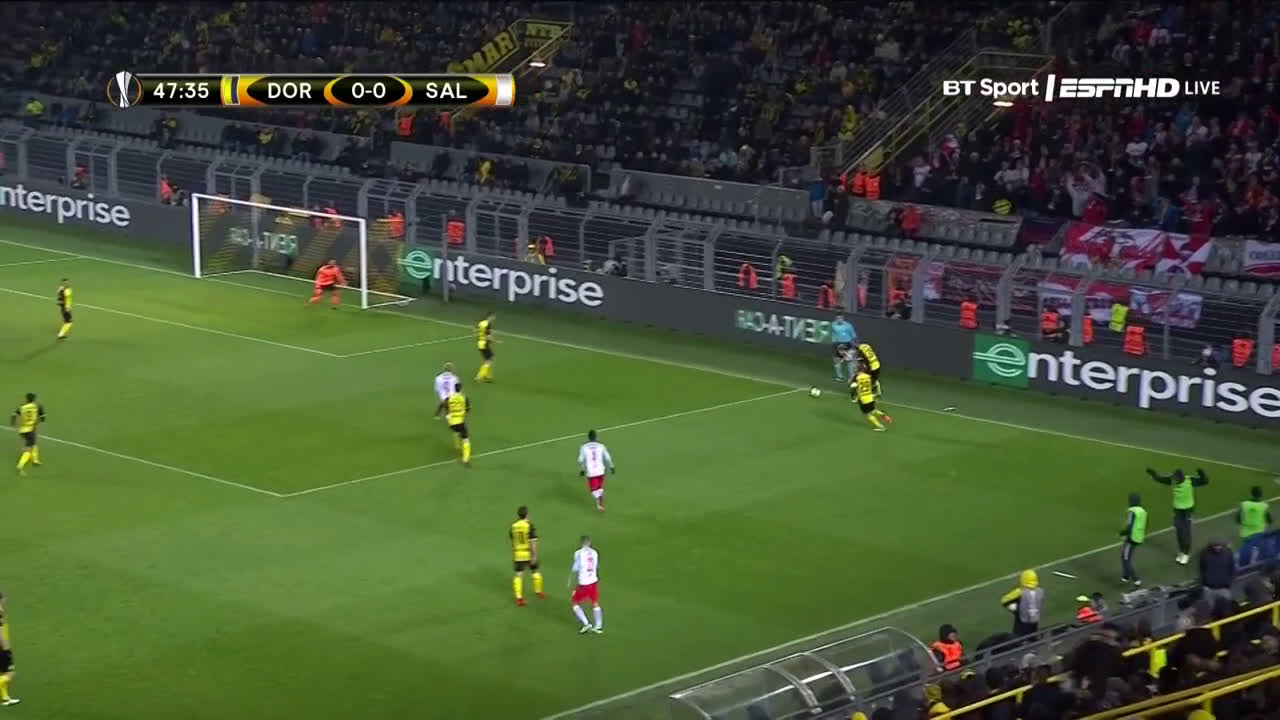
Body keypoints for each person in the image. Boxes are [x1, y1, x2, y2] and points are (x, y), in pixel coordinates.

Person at [1149, 467, 1209, 564]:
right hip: (1177, 511)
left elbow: (1205, 481)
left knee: (1186, 532)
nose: (1174, 481)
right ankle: (1181, 551)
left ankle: (1186, 554)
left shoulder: (1190, 480)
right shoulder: (1173, 481)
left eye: (1176, 479)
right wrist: (1154, 475)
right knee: (1179, 532)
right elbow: (1162, 479)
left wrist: (1202, 474)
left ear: (1181, 478)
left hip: (1187, 511)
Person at [510, 506, 544, 606]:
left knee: (518, 575)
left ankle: (519, 598)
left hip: (518, 553)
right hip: (528, 553)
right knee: (535, 572)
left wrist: (515, 550)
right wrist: (534, 556)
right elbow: (533, 542)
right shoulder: (529, 525)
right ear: (527, 515)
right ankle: (539, 592)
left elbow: (512, 540)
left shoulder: (514, 526)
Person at [569, 535, 602, 634]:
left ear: (581, 543)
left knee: (575, 602)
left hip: (584, 583)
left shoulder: (578, 553)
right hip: (594, 581)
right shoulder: (595, 552)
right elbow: (597, 566)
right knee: (595, 602)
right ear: (589, 543)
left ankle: (586, 624)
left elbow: (575, 569)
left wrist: (571, 582)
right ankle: (598, 625)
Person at [578, 430, 615, 512]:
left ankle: (599, 498)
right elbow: (607, 457)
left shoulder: (584, 447)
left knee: (593, 490)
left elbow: (580, 460)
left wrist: (582, 469)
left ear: (588, 437)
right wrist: (612, 466)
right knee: (599, 487)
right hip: (601, 470)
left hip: (591, 472)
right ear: (596, 437)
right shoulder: (601, 446)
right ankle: (600, 503)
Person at [1235, 486, 1272, 566]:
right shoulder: (1263, 506)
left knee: (1247, 551)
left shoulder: (1245, 504)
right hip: (1260, 532)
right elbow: (1269, 520)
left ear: (1251, 494)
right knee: (1259, 551)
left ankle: (1244, 565)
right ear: (1261, 495)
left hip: (1246, 533)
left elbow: (1238, 519)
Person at [851, 360, 892, 431]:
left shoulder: (857, 377)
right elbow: (875, 383)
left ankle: (880, 427)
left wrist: (854, 389)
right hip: (870, 397)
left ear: (858, 370)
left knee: (868, 414)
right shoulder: (868, 376)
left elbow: (852, 386)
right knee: (873, 410)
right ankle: (884, 415)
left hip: (863, 399)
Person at [1000, 570, 1043, 636]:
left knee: (1019, 637)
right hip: (1033, 623)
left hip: (1021, 628)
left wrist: (1014, 608)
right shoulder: (1039, 591)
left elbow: (1004, 600)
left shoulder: (1020, 592)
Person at [10, 394, 44, 476]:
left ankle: (35, 460)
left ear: (26, 399)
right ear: (34, 399)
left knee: (32, 444)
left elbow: (13, 414)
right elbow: (43, 417)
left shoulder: (22, 406)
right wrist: (39, 420)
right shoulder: (37, 406)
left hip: (22, 430)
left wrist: (12, 423)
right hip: (31, 430)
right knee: (28, 449)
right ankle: (20, 466)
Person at [1199, 538, 1236, 605]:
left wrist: (1229, 583)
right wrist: (1204, 586)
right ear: (1211, 546)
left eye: (1219, 545)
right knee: (1210, 608)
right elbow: (1202, 569)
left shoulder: (1228, 553)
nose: (1217, 547)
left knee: (1227, 607)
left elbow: (1232, 569)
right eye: (1215, 546)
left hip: (1224, 588)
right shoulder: (1205, 554)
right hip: (1209, 589)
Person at [1120, 492, 1146, 586]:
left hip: (1132, 538)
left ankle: (1136, 579)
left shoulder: (1132, 511)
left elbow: (1130, 525)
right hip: (1139, 536)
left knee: (1125, 558)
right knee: (1125, 556)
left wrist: (1122, 533)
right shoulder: (1142, 511)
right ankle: (1126, 576)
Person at [444, 382, 472, 466]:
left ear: (454, 388)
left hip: (452, 422)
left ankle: (457, 447)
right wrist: (464, 415)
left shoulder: (449, 398)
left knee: (456, 431)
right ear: (461, 388)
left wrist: (448, 415)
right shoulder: (464, 397)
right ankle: (465, 459)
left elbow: (445, 406)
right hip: (460, 421)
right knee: (466, 439)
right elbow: (467, 409)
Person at [0, 592, 16, 706]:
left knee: (2, 672)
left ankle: (5, 698)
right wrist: (6, 648)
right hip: (2, 648)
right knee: (10, 673)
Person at [830, 315, 857, 381]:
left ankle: (851, 377)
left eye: (840, 318)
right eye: (837, 318)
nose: (839, 319)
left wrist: (854, 344)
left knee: (849, 361)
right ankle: (839, 377)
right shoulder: (833, 325)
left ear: (843, 318)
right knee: (837, 360)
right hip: (837, 344)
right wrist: (833, 341)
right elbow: (831, 334)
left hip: (847, 344)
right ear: (836, 319)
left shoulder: (848, 325)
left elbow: (853, 335)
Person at [475, 312, 495, 382]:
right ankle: (480, 376)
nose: (493, 319)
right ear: (489, 317)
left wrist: (480, 335)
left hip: (479, 343)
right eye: (493, 317)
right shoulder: (488, 324)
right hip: (484, 343)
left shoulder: (481, 322)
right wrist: (493, 341)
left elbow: (475, 330)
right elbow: (488, 336)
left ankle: (486, 375)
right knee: (490, 359)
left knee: (487, 359)